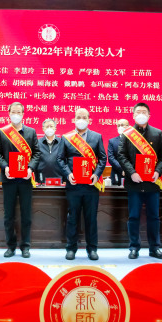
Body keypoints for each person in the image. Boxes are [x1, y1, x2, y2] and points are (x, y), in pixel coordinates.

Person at [117, 102, 162, 260]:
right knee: (133, 217)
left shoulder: (157, 133)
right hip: (134, 183)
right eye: (138, 112)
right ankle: (134, 247)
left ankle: (154, 248)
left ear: (149, 115)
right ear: (133, 115)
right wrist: (131, 172)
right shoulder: (127, 134)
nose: (141, 114)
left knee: (154, 217)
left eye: (144, 112)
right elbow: (121, 155)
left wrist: (158, 171)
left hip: (152, 183)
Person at [57, 108, 107, 260]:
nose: (81, 119)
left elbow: (102, 158)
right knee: (73, 218)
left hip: (91, 185)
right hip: (73, 185)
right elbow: (60, 159)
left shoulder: (96, 137)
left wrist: (96, 174)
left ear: (89, 119)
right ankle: (71, 248)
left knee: (91, 218)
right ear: (74, 119)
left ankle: (92, 249)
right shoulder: (66, 137)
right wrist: (68, 174)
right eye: (78, 117)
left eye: (84, 117)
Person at [0, 102, 41, 258]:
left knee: (26, 215)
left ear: (23, 114)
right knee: (9, 215)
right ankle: (11, 246)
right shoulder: (2, 132)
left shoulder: (31, 132)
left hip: (25, 179)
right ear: (9, 113)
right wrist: (5, 167)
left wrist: (30, 168)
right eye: (13, 112)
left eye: (18, 112)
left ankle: (25, 246)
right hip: (9, 179)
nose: (16, 114)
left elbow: (36, 153)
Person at [36, 118, 65, 184]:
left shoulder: (62, 142)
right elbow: (35, 161)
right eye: (47, 126)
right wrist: (35, 179)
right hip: (41, 180)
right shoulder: (37, 143)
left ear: (55, 128)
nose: (49, 128)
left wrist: (65, 180)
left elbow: (65, 161)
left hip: (59, 179)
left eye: (51, 126)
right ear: (43, 129)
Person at [107, 119, 130, 186]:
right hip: (117, 173)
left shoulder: (134, 141)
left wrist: (128, 169)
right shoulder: (112, 141)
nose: (120, 127)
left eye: (122, 125)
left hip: (131, 174)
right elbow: (111, 158)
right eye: (118, 125)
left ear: (128, 126)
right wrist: (122, 168)